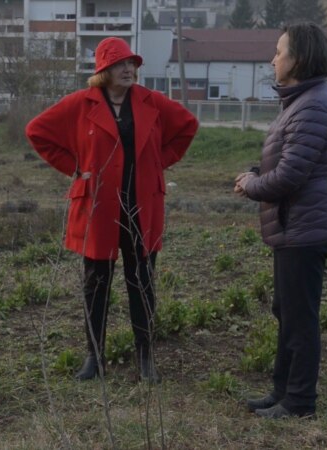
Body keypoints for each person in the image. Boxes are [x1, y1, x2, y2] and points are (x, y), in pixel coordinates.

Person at [26, 37, 199, 383]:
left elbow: (187, 127)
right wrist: (75, 167)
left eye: (132, 63)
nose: (129, 69)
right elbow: (37, 132)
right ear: (103, 71)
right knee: (96, 283)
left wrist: (157, 163)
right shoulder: (80, 103)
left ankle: (146, 357)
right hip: (98, 208)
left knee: (142, 281)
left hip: (141, 206)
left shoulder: (152, 102)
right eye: (120, 64)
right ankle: (94, 356)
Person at [234, 22, 327, 418]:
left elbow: (291, 175)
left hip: (304, 228)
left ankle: (299, 402)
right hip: (294, 226)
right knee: (288, 313)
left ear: (298, 58)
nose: (273, 59)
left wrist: (253, 184)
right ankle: (282, 392)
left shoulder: (313, 104)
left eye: (279, 52)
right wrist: (257, 171)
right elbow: (289, 160)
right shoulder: (302, 100)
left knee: (300, 320)